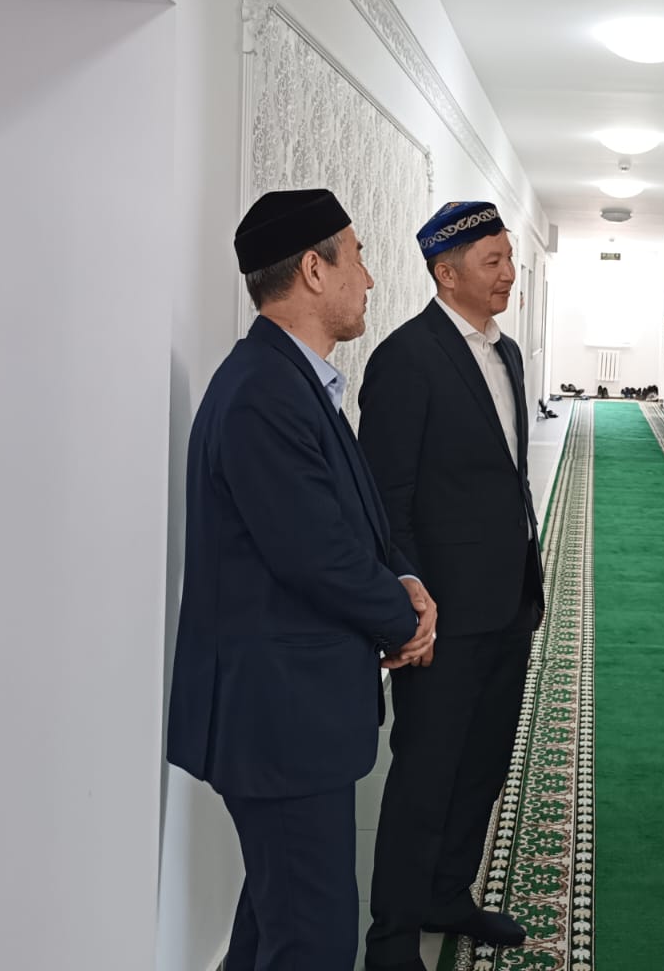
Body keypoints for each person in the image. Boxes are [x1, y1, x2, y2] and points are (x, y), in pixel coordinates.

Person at [165, 189, 437, 971]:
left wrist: (403, 579)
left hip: (291, 713)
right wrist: (407, 619)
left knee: (272, 925)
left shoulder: (289, 380)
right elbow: (316, 555)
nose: (370, 279)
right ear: (314, 270)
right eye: (357, 258)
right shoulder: (263, 393)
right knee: (312, 941)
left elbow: (352, 524)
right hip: (280, 719)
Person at [360, 201, 543, 971]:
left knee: (483, 765)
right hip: (443, 614)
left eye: (510, 258)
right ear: (446, 272)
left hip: (509, 602)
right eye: (493, 261)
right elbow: (387, 502)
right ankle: (392, 937)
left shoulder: (507, 354)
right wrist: (407, 602)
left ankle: (448, 894)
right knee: (425, 776)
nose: (509, 274)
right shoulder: (407, 359)